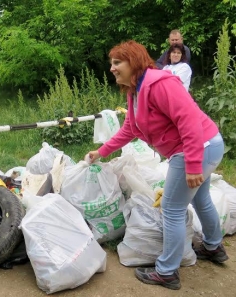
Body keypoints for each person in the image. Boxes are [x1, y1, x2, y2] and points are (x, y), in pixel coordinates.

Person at [87, 40, 228, 290]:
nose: (112, 68)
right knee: (201, 198)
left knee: (172, 209)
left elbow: (189, 120)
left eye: (117, 62)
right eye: (112, 63)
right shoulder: (135, 92)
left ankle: (167, 272)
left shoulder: (160, 83)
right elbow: (130, 129)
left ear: (134, 62)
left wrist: (194, 164)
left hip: (195, 148)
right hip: (206, 145)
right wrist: (101, 151)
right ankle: (213, 246)